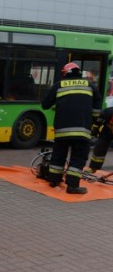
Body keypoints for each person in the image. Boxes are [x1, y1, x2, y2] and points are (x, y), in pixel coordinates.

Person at [41, 62, 102, 194]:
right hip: (82, 130)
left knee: (58, 155)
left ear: (65, 74)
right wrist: (92, 121)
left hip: (62, 131)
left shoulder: (58, 85)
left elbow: (45, 105)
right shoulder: (90, 85)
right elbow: (97, 110)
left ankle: (54, 180)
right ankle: (72, 186)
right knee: (78, 157)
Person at [87, 106, 113, 172]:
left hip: (109, 127)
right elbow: (96, 124)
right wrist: (94, 132)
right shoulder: (107, 112)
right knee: (100, 147)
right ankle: (93, 168)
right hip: (107, 131)